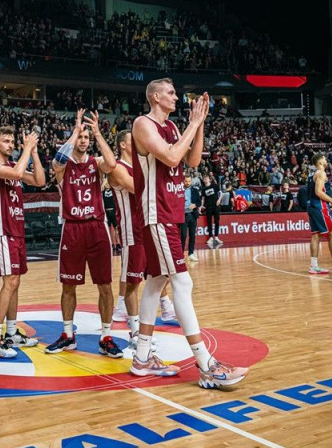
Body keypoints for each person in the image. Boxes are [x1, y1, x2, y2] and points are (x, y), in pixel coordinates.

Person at [130, 78, 247, 388]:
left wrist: (200, 125)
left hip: (170, 212)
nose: (176, 96)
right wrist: (192, 124)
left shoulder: (171, 129)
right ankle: (205, 363)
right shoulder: (143, 123)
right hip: (156, 214)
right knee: (183, 281)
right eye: (170, 92)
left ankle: (142, 358)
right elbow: (170, 157)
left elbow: (192, 160)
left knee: (155, 284)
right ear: (155, 96)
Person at [44, 110, 123, 358]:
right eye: (81, 137)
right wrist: (75, 131)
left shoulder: (96, 163)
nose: (83, 140)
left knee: (105, 285)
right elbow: (56, 161)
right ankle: (68, 335)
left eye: (86, 137)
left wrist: (98, 133)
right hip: (73, 228)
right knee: (68, 286)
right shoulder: (63, 167)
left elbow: (111, 164)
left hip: (96, 227)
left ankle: (106, 336)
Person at [0, 127, 45, 357]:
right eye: (6, 141)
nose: (10, 144)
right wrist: (26, 148)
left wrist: (34, 152)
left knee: (15, 283)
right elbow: (18, 175)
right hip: (2, 230)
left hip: (16, 230)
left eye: (12, 141)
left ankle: (11, 333)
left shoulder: (12, 166)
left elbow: (39, 180)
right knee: (9, 283)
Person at [108, 130, 176, 349]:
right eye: (132, 141)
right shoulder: (118, 167)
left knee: (160, 273)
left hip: (149, 228)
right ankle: (135, 332)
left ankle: (163, 309)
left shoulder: (141, 167)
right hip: (132, 233)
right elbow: (136, 188)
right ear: (123, 145)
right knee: (132, 284)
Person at [180, 175, 201, 262]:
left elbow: (199, 202)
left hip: (193, 215)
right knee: (183, 236)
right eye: (186, 181)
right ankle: (180, 255)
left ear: (191, 182)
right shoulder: (179, 190)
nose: (188, 183)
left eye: (189, 181)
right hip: (183, 216)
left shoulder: (195, 191)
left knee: (192, 235)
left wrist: (195, 205)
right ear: (183, 181)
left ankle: (191, 254)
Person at [199, 175, 221, 248]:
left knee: (217, 221)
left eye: (207, 178)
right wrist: (201, 205)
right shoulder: (203, 189)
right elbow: (202, 199)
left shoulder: (214, 185)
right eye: (204, 178)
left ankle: (217, 237)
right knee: (209, 222)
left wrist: (219, 200)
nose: (206, 179)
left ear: (209, 179)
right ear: (203, 180)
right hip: (208, 207)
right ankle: (211, 237)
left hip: (216, 206)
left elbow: (221, 193)